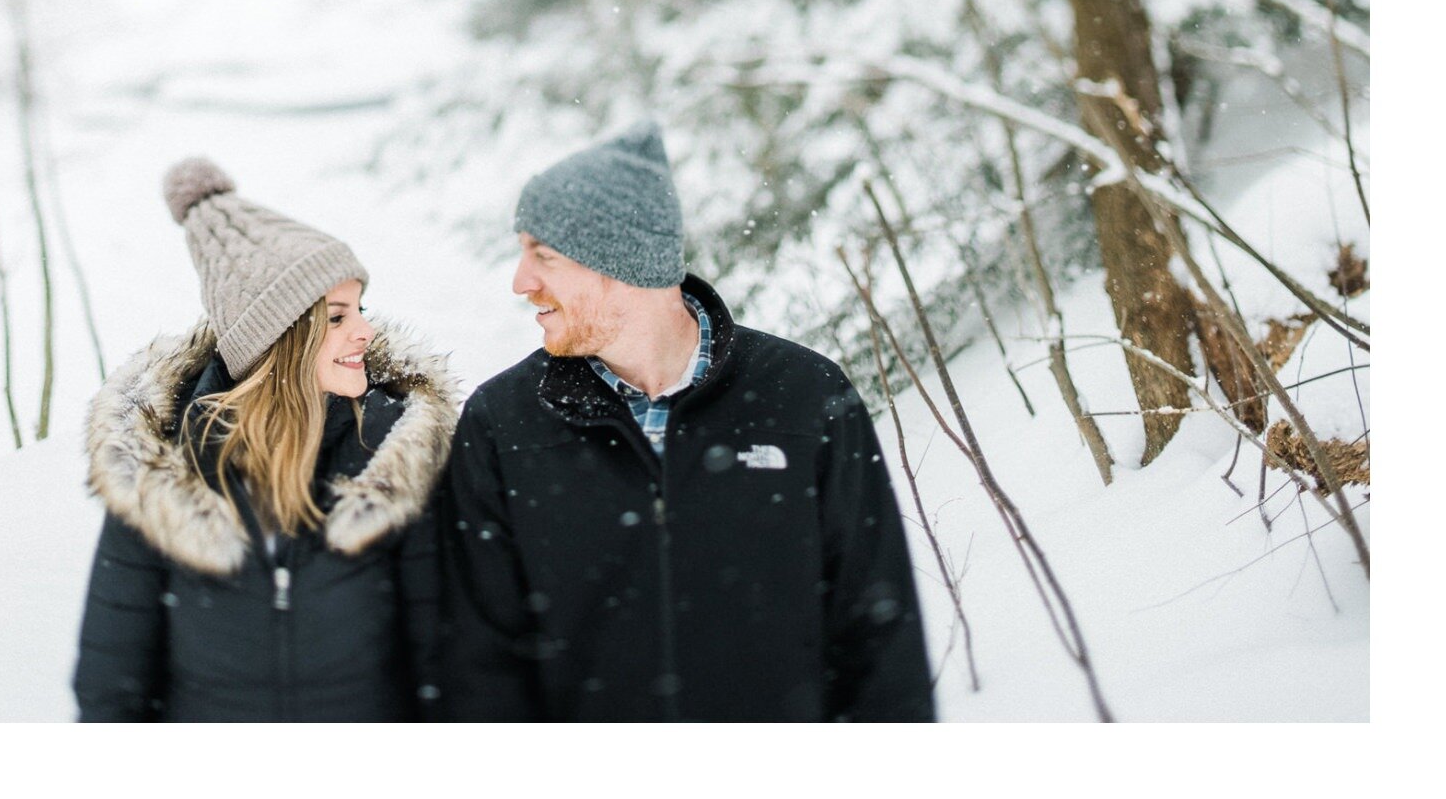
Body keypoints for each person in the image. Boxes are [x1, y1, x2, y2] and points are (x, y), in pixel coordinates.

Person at [439, 121, 935, 722]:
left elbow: (880, 640)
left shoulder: (803, 398)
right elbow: (483, 666)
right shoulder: (504, 424)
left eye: (543, 255)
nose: (522, 282)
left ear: (621, 261)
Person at [74, 157, 458, 721]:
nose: (365, 331)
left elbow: (445, 669)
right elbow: (112, 690)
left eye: (360, 310)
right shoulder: (161, 471)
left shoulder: (396, 455)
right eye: (336, 317)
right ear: (276, 341)